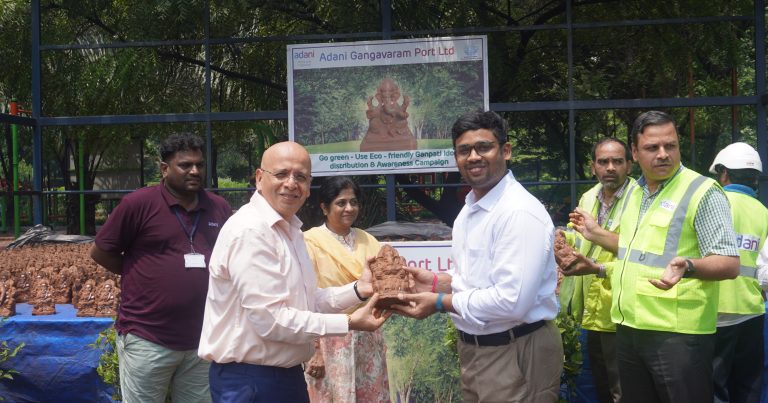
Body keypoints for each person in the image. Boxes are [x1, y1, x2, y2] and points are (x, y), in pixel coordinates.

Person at [198, 141, 390, 403]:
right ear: (259, 178)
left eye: (300, 176)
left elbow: (308, 303)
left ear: (309, 186)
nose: (291, 183)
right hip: (250, 380)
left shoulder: (291, 231)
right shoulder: (251, 231)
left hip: (283, 376)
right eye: (281, 174)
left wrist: (359, 290)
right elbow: (271, 319)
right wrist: (348, 322)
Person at [569, 110, 739, 402]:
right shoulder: (635, 193)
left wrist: (688, 265)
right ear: (635, 152)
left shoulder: (701, 191)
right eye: (652, 148)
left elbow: (729, 263)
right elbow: (636, 255)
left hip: (677, 336)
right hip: (628, 329)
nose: (663, 154)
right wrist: (596, 247)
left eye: (670, 146)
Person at [393, 110, 563, 402]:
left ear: (505, 150)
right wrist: (437, 282)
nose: (473, 156)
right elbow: (478, 280)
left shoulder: (517, 212)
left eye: (484, 147)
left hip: (515, 350)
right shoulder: (471, 209)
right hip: (476, 350)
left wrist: (439, 302)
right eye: (464, 150)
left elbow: (512, 302)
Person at [90, 133, 232, 403]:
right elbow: (101, 252)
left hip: (201, 340)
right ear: (164, 169)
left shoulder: (218, 208)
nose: (195, 171)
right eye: (185, 165)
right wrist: (140, 272)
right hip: (147, 337)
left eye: (200, 165)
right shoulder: (138, 204)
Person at [558, 137, 635, 403]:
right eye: (603, 162)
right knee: (594, 385)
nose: (610, 167)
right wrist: (562, 240)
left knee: (621, 389)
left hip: (620, 309)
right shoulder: (588, 196)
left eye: (617, 161)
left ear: (629, 165)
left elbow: (638, 253)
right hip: (586, 308)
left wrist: (597, 235)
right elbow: (577, 237)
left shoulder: (639, 199)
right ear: (593, 167)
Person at [302, 176, 390, 402]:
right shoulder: (309, 242)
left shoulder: (368, 240)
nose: (349, 208)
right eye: (341, 203)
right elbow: (306, 300)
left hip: (367, 337)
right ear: (324, 207)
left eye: (354, 202)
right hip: (328, 338)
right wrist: (315, 351)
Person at [708, 142, 768, 403]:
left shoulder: (711, 204)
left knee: (714, 388)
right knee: (748, 387)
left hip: (711, 312)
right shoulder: (764, 213)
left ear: (723, 173)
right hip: (752, 313)